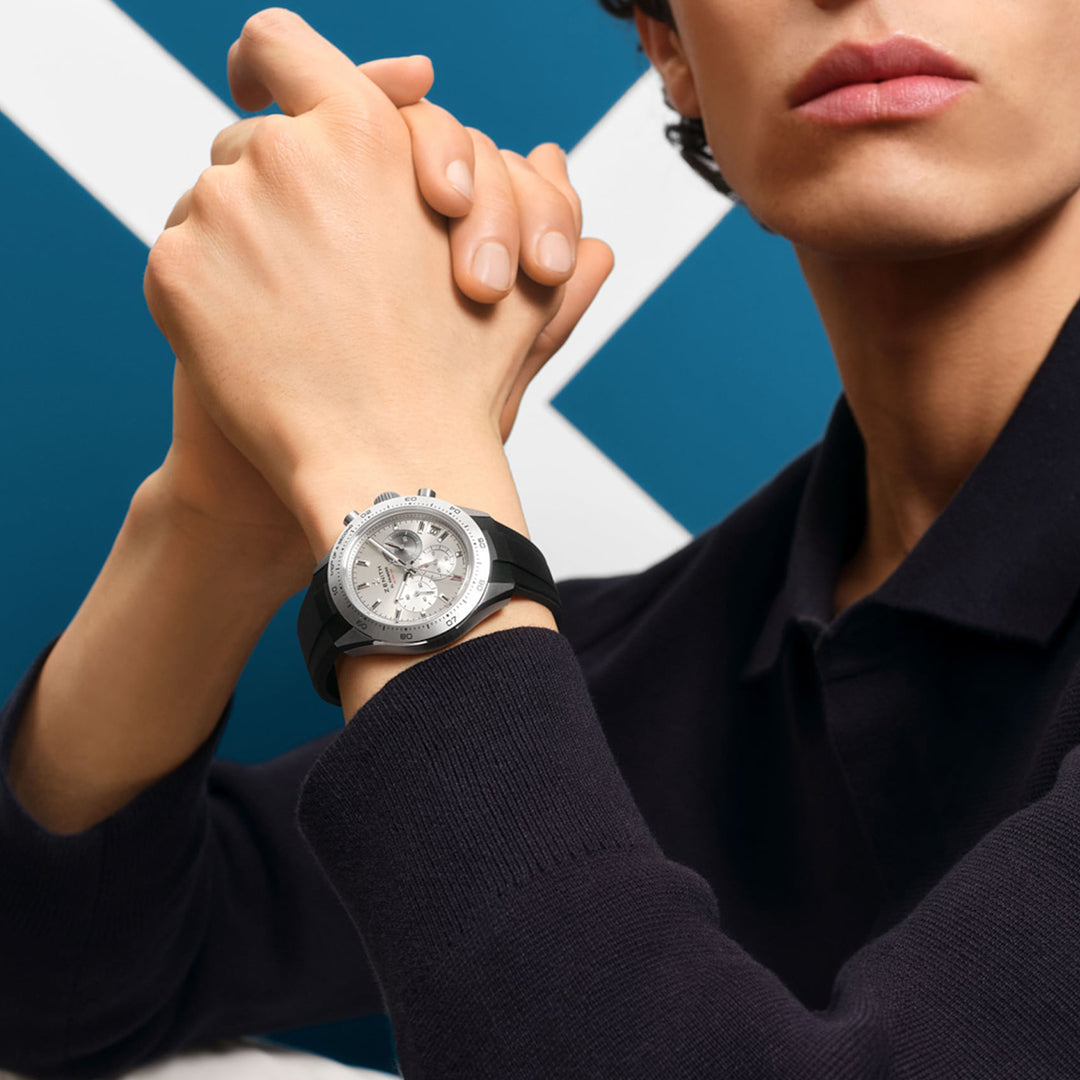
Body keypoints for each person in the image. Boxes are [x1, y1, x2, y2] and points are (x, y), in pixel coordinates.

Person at [3, 1, 1080, 1077]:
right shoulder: (684, 654)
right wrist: (218, 514)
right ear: (672, 48)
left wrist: (391, 465)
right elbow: (57, 971)